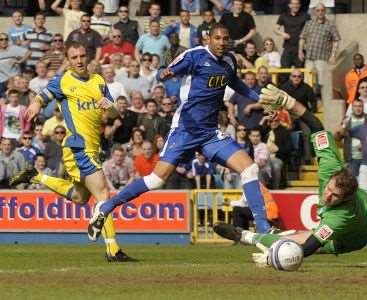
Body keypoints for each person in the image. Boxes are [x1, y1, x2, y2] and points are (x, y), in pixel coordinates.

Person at [88, 23, 272, 241]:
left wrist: (260, 99)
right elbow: (164, 72)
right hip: (185, 130)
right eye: (217, 38)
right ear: (208, 39)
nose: (222, 43)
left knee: (249, 169)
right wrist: (166, 73)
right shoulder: (194, 56)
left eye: (225, 39)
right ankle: (105, 207)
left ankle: (263, 228)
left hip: (210, 133)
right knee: (157, 180)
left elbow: (236, 84)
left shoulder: (229, 61)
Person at [214, 84, 367, 265]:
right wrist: (289, 102)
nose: (327, 196)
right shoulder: (330, 164)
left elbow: (308, 248)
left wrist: (275, 258)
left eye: (334, 197)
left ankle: (244, 235)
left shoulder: (337, 218)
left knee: (290, 242)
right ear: (332, 178)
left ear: (344, 199)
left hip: (350, 240)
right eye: (330, 189)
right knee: (290, 238)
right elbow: (316, 126)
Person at [9, 42, 135, 262]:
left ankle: (36, 176)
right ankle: (113, 250)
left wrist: (109, 106)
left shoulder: (98, 81)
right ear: (68, 59)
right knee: (103, 194)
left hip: (93, 147)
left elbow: (114, 113)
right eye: (74, 57)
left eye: (82, 56)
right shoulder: (64, 80)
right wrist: (36, 105)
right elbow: (43, 95)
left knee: (79, 197)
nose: (79, 60)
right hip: (78, 146)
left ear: (87, 57)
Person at [299, 2, 340, 97]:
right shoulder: (309, 23)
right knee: (308, 82)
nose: (320, 12)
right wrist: (300, 51)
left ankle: (322, 102)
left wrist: (333, 55)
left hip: (322, 58)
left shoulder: (330, 25)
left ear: (325, 11)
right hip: (309, 57)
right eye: (318, 10)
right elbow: (302, 38)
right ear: (314, 12)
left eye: (322, 10)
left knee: (322, 82)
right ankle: (310, 102)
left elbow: (336, 40)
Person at [275, 0, 310, 70]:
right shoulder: (283, 16)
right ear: (289, 5)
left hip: (300, 49)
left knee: (300, 73)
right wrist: (282, 34)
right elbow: (275, 29)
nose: (295, 6)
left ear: (300, 5)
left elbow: (310, 30)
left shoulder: (306, 16)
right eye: (293, 4)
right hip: (288, 48)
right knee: (284, 71)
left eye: (297, 4)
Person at [337, 99, 365, 177]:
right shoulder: (347, 119)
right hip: (351, 158)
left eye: (360, 106)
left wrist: (365, 144)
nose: (358, 108)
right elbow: (338, 138)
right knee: (352, 184)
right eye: (356, 106)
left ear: (363, 107)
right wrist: (343, 126)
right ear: (352, 108)